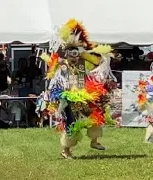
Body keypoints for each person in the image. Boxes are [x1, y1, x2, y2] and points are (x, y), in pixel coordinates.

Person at [37, 19, 115, 159]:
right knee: (71, 124)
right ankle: (66, 150)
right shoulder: (62, 65)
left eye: (76, 54)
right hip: (68, 98)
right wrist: (56, 98)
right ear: (66, 54)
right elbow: (54, 82)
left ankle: (94, 140)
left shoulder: (82, 63)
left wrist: (94, 54)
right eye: (71, 55)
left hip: (83, 96)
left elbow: (98, 63)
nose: (74, 57)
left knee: (96, 114)